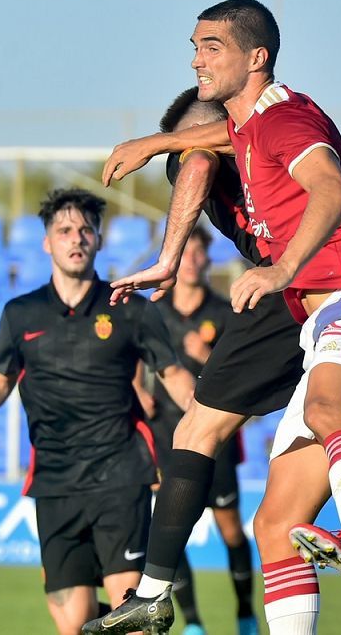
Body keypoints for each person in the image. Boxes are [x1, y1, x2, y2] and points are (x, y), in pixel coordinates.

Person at [85, 0, 341, 635]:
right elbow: (214, 137)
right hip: (314, 316)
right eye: (195, 46)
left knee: (327, 411)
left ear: (257, 57)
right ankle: (158, 595)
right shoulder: (245, 126)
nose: (196, 58)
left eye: (211, 47)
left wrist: (281, 267)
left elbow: (332, 189)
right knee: (275, 525)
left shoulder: (285, 119)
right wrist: (158, 143)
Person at [0, 188, 196, 635]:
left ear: (98, 239)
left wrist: (210, 416)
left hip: (121, 477)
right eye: (64, 230)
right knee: (73, 624)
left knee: (131, 619)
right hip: (55, 483)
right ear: (47, 242)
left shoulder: (129, 309)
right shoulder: (20, 314)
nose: (75, 238)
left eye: (85, 230)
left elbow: (172, 373)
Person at [134, 225, 257, 635]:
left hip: (214, 438)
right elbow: (133, 355)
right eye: (182, 252)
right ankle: (194, 623)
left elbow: (245, 378)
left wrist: (207, 357)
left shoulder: (226, 312)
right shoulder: (154, 309)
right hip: (164, 434)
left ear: (207, 259)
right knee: (167, 528)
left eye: (197, 252)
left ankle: (244, 612)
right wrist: (137, 388)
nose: (190, 260)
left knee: (230, 530)